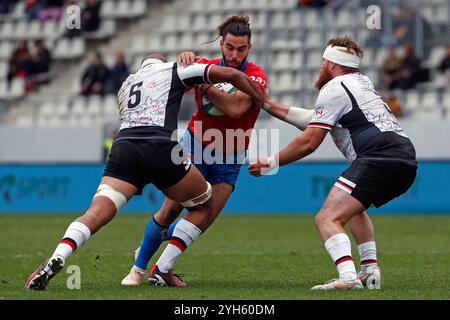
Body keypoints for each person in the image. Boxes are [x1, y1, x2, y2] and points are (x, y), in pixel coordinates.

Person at [24, 53, 265, 291]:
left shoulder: (126, 84)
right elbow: (231, 74)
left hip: (124, 149)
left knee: (95, 213)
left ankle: (58, 256)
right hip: (160, 148)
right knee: (204, 206)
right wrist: (260, 97)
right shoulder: (174, 70)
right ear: (160, 63)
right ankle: (161, 259)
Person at [249, 37, 417, 290]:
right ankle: (370, 271)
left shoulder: (334, 87)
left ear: (332, 64)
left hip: (377, 157)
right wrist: (266, 104)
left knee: (327, 218)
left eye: (323, 62)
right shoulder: (361, 82)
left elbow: (309, 142)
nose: (320, 67)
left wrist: (271, 163)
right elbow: (313, 119)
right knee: (352, 210)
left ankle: (348, 276)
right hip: (405, 159)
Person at [121, 15, 269, 287]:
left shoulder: (256, 77)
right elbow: (167, 82)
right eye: (229, 47)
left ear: (249, 48)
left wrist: (204, 85)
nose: (234, 55)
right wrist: (185, 60)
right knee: (169, 211)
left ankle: (160, 267)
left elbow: (236, 108)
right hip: (194, 146)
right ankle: (137, 270)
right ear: (221, 44)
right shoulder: (203, 67)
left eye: (241, 49)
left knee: (205, 216)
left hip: (231, 157)